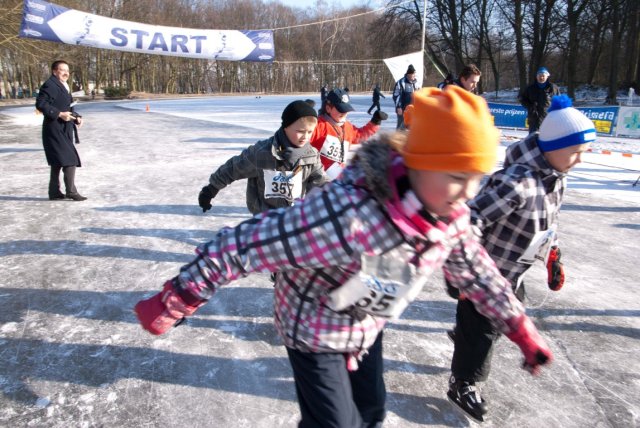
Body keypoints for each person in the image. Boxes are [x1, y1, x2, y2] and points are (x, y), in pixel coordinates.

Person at [135, 86, 553, 428]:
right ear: (419, 164)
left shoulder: (450, 218)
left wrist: (519, 328)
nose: (466, 194)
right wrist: (179, 296)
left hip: (367, 316)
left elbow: (480, 274)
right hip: (313, 327)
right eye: (456, 178)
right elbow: (245, 243)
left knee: (370, 414)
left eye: (475, 179)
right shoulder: (348, 215)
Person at [446, 95, 595, 422]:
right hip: (484, 277)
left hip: (515, 273)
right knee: (483, 333)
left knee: (501, 320)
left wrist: (554, 256)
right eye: (575, 152)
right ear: (552, 147)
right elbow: (472, 217)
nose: (580, 160)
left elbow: (548, 224)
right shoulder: (518, 183)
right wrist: (464, 271)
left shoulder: (556, 180)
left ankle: (465, 335)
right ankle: (464, 382)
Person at [198, 100, 328, 215]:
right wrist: (211, 189)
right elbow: (234, 168)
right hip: (263, 219)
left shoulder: (311, 155)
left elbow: (320, 182)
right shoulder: (262, 152)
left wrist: (333, 199)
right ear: (286, 127)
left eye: (309, 132)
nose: (305, 136)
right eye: (300, 131)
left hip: (293, 218)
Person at [35, 60, 86, 201]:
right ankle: (71, 191)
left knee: (58, 161)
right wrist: (59, 114)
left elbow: (68, 107)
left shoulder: (63, 85)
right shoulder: (50, 85)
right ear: (54, 71)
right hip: (54, 128)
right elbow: (41, 104)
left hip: (63, 128)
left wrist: (76, 117)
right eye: (62, 70)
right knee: (70, 159)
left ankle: (54, 192)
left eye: (68, 70)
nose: (66, 73)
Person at [309, 88, 387, 180]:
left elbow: (359, 135)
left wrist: (375, 122)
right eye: (340, 110)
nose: (344, 113)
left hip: (338, 176)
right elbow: (300, 141)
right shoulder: (319, 126)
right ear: (328, 108)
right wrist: (304, 120)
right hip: (317, 178)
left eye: (346, 109)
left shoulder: (347, 127)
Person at [519, 67, 561, 133]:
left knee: (547, 139)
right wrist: (530, 106)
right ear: (536, 76)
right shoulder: (530, 88)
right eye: (539, 76)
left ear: (547, 76)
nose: (541, 77)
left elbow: (559, 101)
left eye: (543, 76)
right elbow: (522, 99)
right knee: (533, 140)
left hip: (548, 118)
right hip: (534, 119)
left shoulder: (553, 87)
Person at [392, 64, 420, 129]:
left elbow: (418, 95)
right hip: (402, 108)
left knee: (411, 127)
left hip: (413, 109)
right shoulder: (401, 82)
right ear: (408, 74)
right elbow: (396, 95)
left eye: (414, 74)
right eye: (412, 74)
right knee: (400, 127)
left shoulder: (416, 83)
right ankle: (397, 138)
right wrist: (399, 107)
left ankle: (409, 138)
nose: (414, 76)